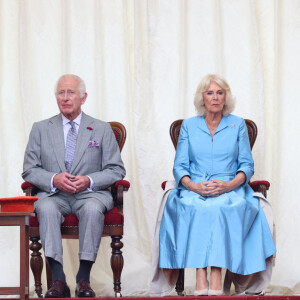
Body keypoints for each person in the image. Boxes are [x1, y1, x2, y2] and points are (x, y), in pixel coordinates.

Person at [158, 74, 276, 296]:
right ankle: (201, 275)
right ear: (202, 98)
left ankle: (215, 274)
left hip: (230, 187)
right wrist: (193, 186)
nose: (215, 97)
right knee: (199, 207)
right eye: (210, 93)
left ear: (226, 97)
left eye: (219, 93)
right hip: (194, 186)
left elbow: (247, 165)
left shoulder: (238, 124)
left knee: (220, 207)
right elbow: (179, 166)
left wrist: (228, 185)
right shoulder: (189, 126)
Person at [22, 74, 126, 298]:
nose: (66, 98)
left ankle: (83, 280)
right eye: (61, 92)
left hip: (91, 195)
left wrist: (89, 180)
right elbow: (29, 169)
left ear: (83, 97)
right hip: (53, 195)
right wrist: (53, 179)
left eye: (71, 93)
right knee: (46, 208)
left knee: (91, 209)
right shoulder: (40, 128)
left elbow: (116, 169)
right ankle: (59, 280)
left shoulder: (101, 128)